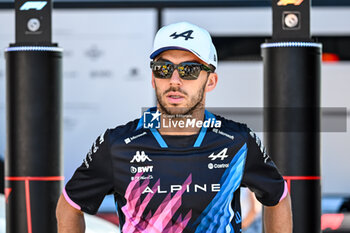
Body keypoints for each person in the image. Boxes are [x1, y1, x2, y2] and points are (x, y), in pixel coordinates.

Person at [56, 21, 292, 233]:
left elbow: (277, 197)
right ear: (152, 78)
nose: (174, 80)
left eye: (189, 70)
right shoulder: (117, 144)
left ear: (211, 81)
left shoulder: (237, 140)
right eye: (164, 69)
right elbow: (69, 206)